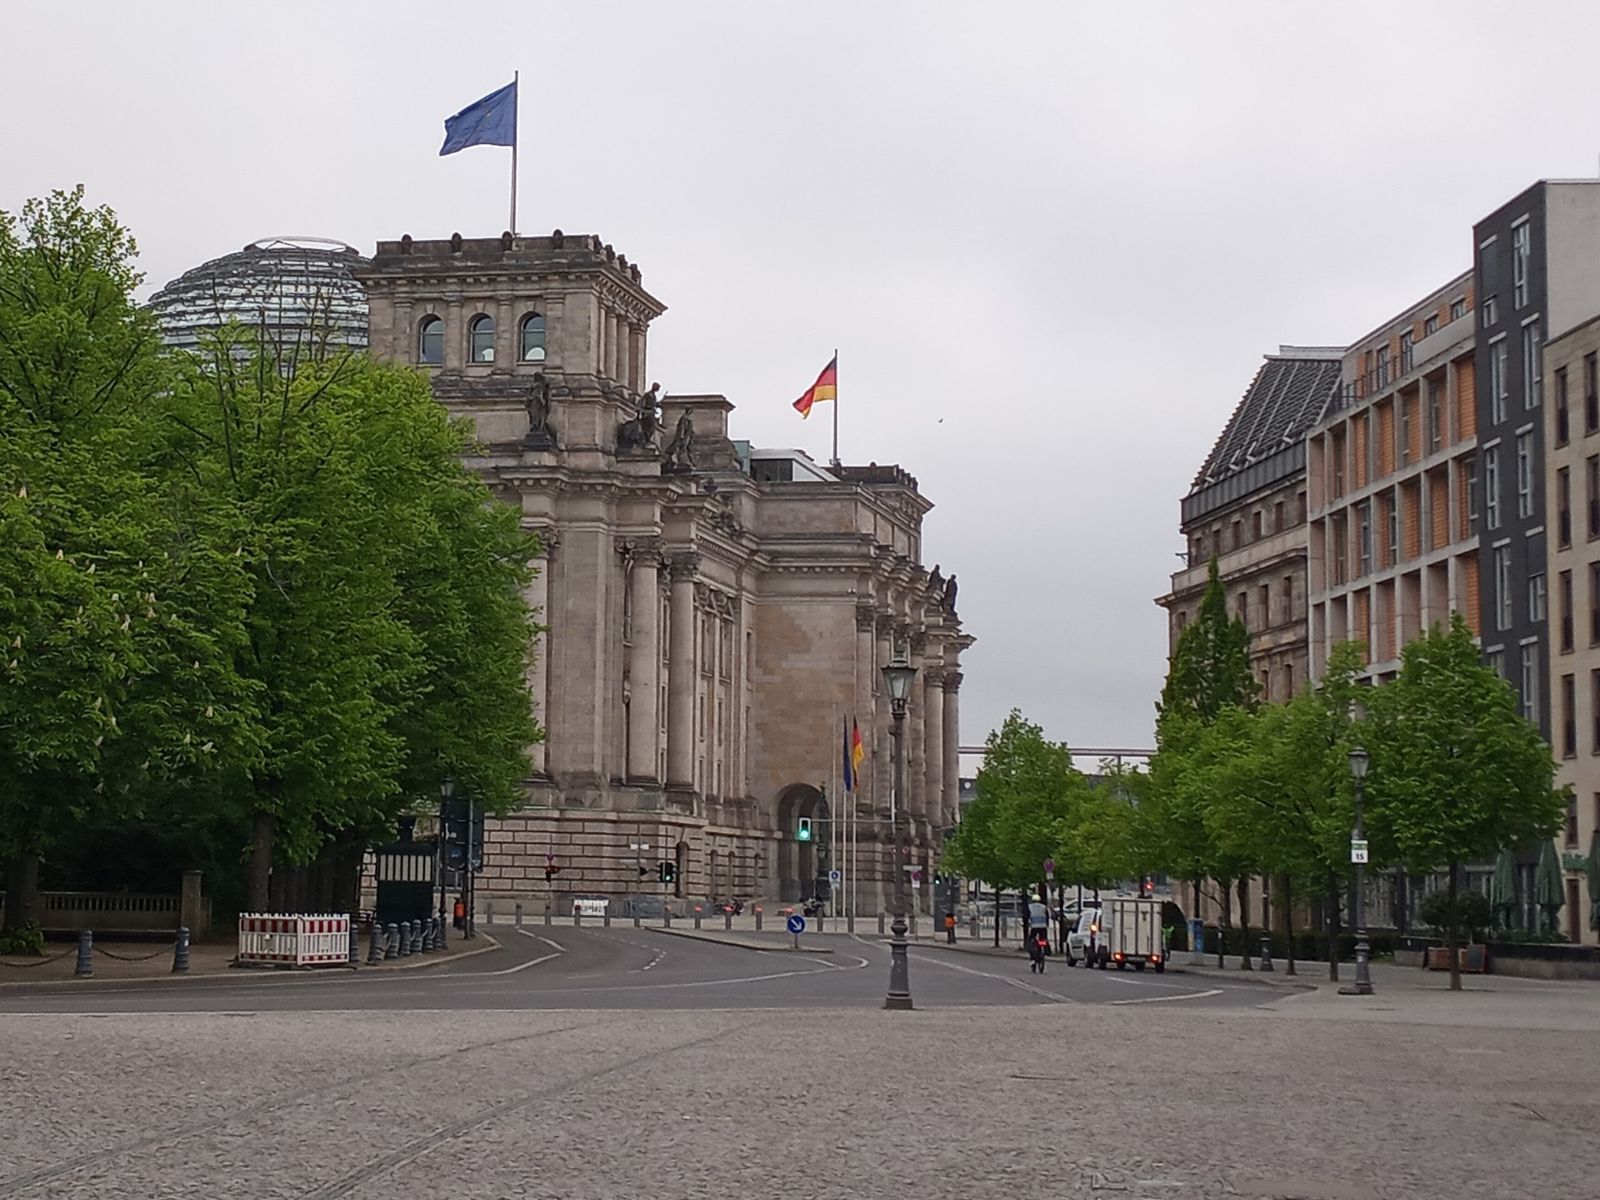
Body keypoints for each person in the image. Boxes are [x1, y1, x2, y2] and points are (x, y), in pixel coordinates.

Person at [1027, 894, 1051, 973]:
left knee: (1031, 941)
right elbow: (1047, 916)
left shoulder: (1030, 907)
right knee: (1043, 939)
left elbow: (1027, 916)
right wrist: (1047, 924)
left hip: (1034, 927)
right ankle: (1045, 949)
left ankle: (1033, 958)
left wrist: (1027, 923)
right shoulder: (1043, 907)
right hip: (1043, 927)